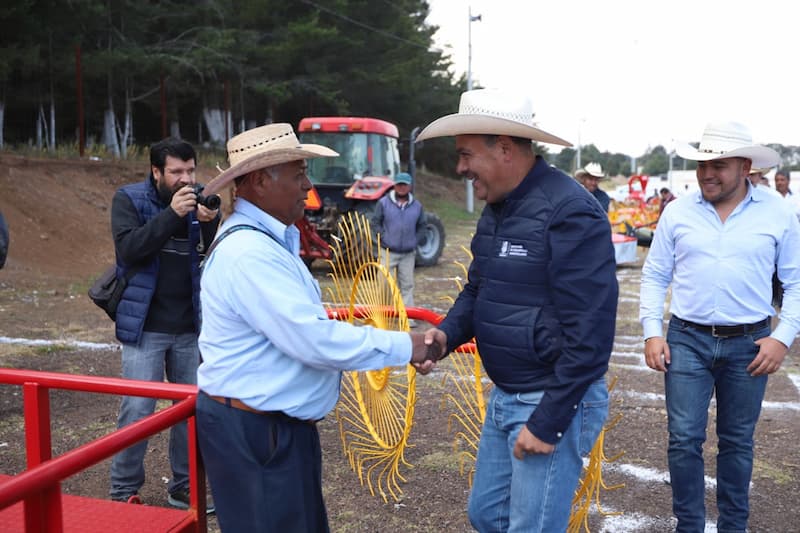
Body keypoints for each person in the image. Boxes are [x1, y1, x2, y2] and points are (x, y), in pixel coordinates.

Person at [195, 123, 435, 532]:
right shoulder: (248, 253)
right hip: (258, 431)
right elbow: (312, 339)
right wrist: (406, 346)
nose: (307, 187)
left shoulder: (268, 241)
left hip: (272, 427)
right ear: (258, 181)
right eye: (298, 174)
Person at [416, 88, 619, 532]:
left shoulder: (571, 212)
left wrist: (548, 421)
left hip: (550, 396)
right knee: (487, 515)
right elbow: (478, 289)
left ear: (505, 148)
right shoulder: (497, 208)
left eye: (466, 154)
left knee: (532, 526)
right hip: (507, 394)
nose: (460, 167)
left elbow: (591, 336)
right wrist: (445, 336)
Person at [639, 121, 800, 532]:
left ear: (745, 166)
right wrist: (652, 330)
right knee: (683, 439)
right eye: (702, 165)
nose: (707, 173)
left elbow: (796, 282)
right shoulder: (677, 211)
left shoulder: (780, 212)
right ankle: (689, 525)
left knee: (736, 442)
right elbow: (656, 274)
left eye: (720, 165)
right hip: (686, 339)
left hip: (750, 343)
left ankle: (733, 525)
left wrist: (782, 338)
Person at [109, 138, 220, 510]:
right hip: (146, 326)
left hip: (190, 324)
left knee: (190, 409)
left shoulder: (197, 201)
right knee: (138, 409)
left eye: (190, 170)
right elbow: (129, 251)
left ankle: (184, 485)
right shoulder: (128, 200)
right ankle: (123, 491)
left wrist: (209, 224)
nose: (185, 179)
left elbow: (210, 256)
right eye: (176, 172)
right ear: (156, 171)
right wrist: (173, 214)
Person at [371, 171, 426, 313]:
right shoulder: (383, 203)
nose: (401, 187)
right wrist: (383, 237)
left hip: (408, 253)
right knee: (384, 284)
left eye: (405, 185)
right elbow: (375, 223)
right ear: (394, 186)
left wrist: (415, 241)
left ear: (410, 187)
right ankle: (383, 314)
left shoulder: (417, 206)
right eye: (399, 184)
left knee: (407, 285)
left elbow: (422, 226)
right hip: (387, 252)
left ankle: (407, 317)